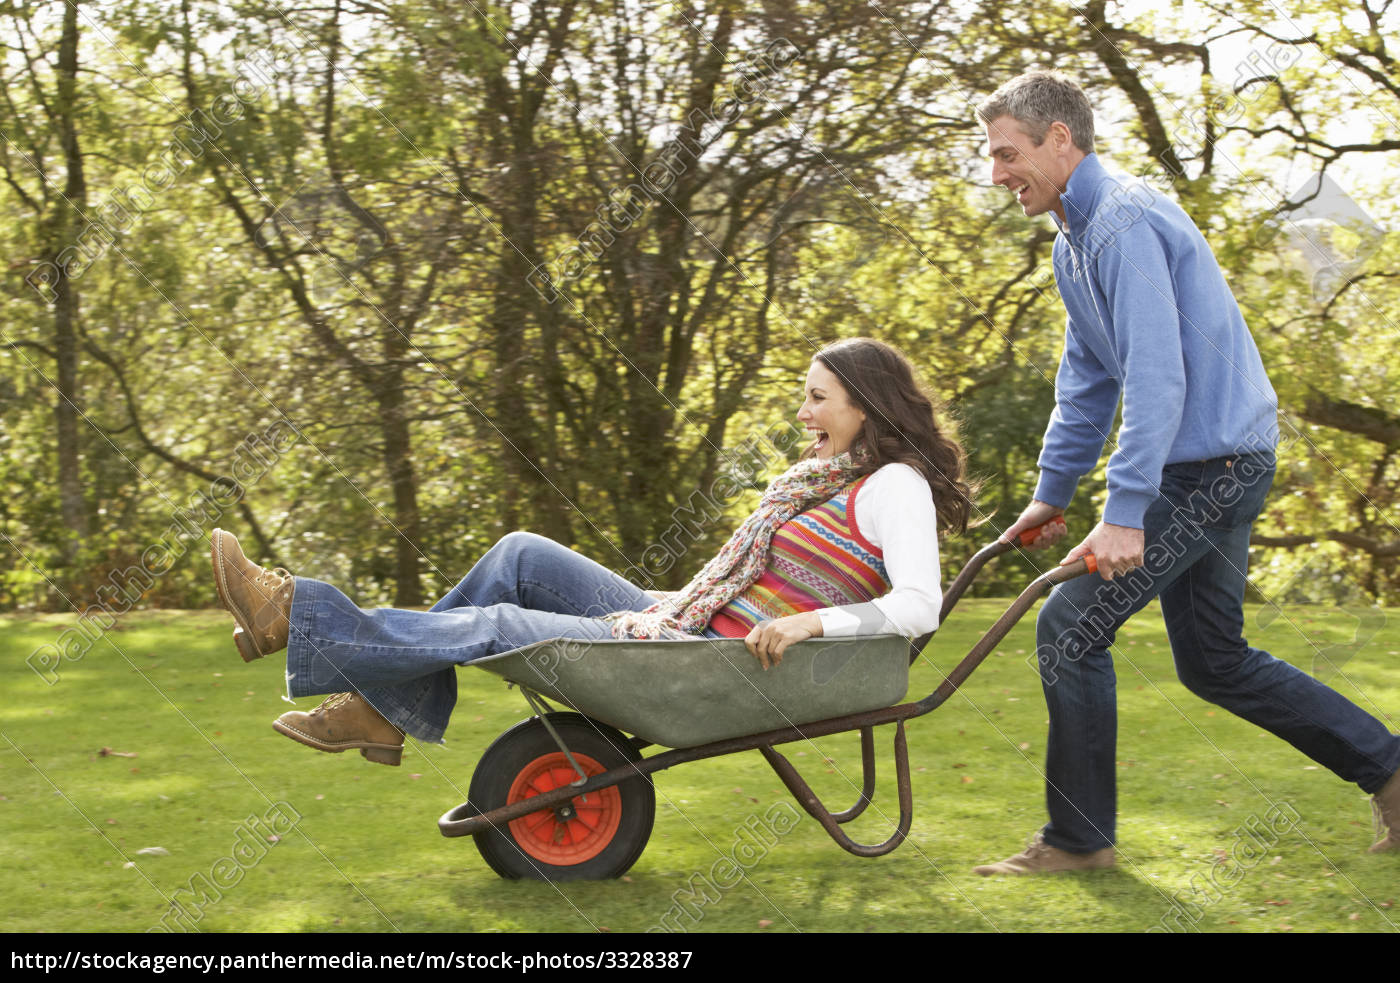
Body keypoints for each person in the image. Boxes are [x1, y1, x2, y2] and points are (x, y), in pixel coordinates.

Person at [974, 71, 1400, 873]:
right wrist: (1049, 495)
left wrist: (1126, 509)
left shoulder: (1124, 223)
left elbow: (1159, 378)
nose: (997, 173)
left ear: (1060, 139)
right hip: (1218, 462)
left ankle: (1078, 839)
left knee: (1068, 628)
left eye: (1009, 153)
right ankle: (1392, 768)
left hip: (1212, 468)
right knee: (1215, 660)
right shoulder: (1078, 239)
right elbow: (1087, 381)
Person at [211, 338, 977, 766]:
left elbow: (915, 606)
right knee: (519, 554)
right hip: (687, 626)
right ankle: (382, 708)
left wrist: (813, 625)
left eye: (817, 397)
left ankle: (299, 617)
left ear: (864, 406)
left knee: (507, 623)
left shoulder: (893, 485)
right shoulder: (827, 475)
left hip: (718, 660)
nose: (802, 409)